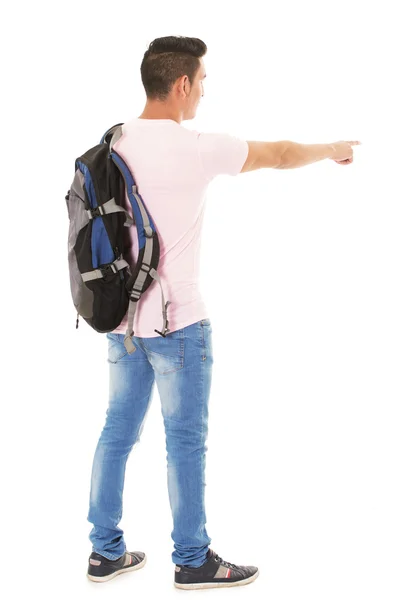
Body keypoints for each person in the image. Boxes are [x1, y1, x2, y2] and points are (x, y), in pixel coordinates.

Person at [86, 35, 361, 590]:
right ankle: (193, 561)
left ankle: (103, 553)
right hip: (181, 325)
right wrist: (332, 147)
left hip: (122, 323)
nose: (205, 92)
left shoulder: (112, 141)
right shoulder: (197, 147)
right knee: (184, 441)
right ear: (182, 83)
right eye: (203, 81)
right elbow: (280, 154)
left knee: (116, 434)